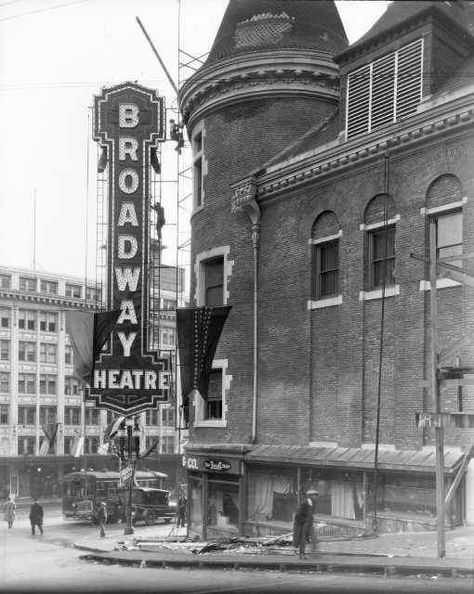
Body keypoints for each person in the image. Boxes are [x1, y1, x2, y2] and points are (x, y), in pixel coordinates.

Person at [293, 489, 319, 560]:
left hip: (308, 523)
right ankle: (301, 554)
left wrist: (311, 520)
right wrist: (304, 522)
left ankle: (313, 553)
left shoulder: (312, 503)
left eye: (316, 496)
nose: (316, 497)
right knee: (302, 539)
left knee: (312, 538)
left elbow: (310, 514)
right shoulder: (305, 503)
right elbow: (298, 515)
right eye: (314, 495)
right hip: (302, 524)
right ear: (310, 496)